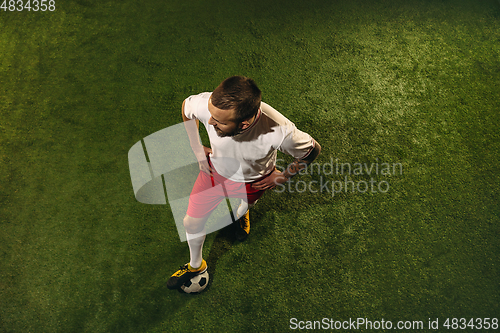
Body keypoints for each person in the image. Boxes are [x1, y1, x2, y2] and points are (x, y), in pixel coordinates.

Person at [166, 76, 321, 290]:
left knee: (244, 205)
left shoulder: (279, 131)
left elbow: (311, 151)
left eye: (219, 121)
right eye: (211, 115)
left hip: (253, 181)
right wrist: (195, 146)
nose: (210, 122)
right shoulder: (209, 106)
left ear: (244, 124)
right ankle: (196, 266)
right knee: (190, 223)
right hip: (214, 173)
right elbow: (187, 107)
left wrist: (283, 176)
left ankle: (243, 212)